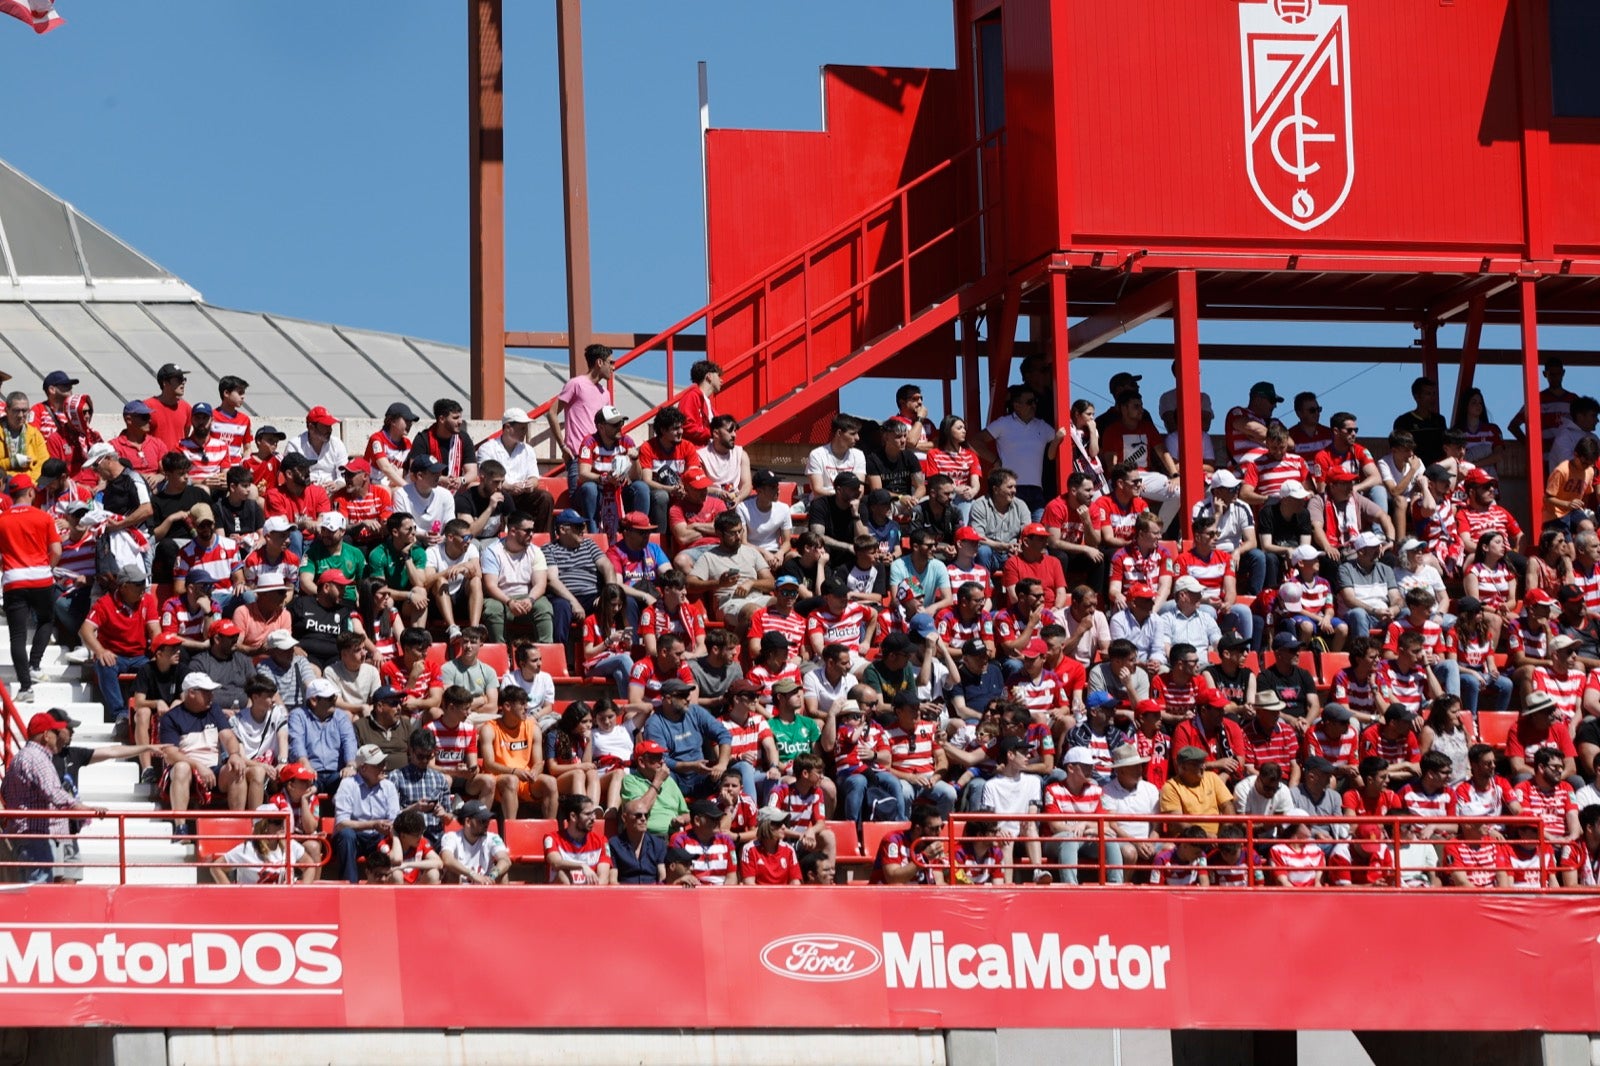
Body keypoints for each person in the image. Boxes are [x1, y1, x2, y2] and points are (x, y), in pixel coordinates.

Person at [1, 713, 105, 883]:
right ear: (46, 735)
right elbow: (54, 793)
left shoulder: (19, 757)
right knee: (39, 888)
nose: (59, 738)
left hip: (22, 836)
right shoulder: (39, 758)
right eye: (56, 733)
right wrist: (85, 809)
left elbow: (4, 791)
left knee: (29, 889)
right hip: (37, 836)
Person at [0, 474, 61, 700]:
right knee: (46, 620)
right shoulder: (43, 517)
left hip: (13, 579)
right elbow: (56, 551)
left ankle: (26, 688)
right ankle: (35, 665)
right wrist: (47, 567)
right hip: (41, 577)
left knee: (17, 635)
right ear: (31, 492)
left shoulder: (2, 519)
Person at [158, 673, 251, 818]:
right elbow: (170, 754)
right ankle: (180, 827)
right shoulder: (171, 718)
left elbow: (228, 736)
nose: (211, 696)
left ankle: (237, 823)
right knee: (181, 768)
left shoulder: (214, 710)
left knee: (236, 769)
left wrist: (234, 754)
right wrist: (198, 766)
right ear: (192, 693)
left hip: (214, 768)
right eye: (206, 692)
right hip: (186, 769)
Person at [639, 679, 732, 799]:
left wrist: (722, 764)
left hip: (702, 774)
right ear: (668, 699)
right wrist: (692, 766)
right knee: (662, 776)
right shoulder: (654, 723)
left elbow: (723, 734)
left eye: (688, 694)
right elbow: (662, 759)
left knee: (734, 773)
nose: (688, 699)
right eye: (682, 695)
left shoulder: (695, 711)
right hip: (675, 776)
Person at [978, 385, 1063, 517]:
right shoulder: (1003, 423)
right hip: (1011, 489)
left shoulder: (1042, 425)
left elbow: (1060, 444)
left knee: (1038, 534)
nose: (1034, 405)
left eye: (1035, 401)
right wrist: (995, 460)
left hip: (1037, 490)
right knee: (1015, 533)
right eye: (1029, 402)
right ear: (1016, 405)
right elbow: (975, 441)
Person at [479, 684, 559, 820]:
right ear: (507, 706)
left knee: (550, 782)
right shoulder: (489, 729)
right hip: (501, 778)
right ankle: (511, 829)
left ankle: (550, 830)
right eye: (522, 704)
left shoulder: (532, 727)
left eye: (526, 703)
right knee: (511, 781)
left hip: (525, 778)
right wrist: (514, 771)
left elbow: (539, 762)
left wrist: (534, 772)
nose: (526, 707)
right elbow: (489, 764)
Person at [545, 342, 614, 492]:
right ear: (599, 362)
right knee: (581, 499)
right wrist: (563, 446)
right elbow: (552, 413)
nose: (613, 367)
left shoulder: (606, 393)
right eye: (610, 362)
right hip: (577, 456)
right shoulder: (575, 384)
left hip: (600, 458)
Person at [481, 511, 556, 644]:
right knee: (492, 608)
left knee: (544, 606)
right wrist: (509, 602)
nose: (531, 534)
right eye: (527, 531)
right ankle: (500, 651)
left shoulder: (536, 551)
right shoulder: (492, 552)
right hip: (501, 599)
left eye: (533, 530)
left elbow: (540, 584)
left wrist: (530, 599)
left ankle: (546, 650)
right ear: (513, 531)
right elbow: (490, 585)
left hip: (527, 598)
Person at [575, 405, 649, 534]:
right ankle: (595, 536)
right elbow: (582, 474)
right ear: (601, 427)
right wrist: (604, 478)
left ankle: (639, 532)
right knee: (589, 488)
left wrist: (636, 459)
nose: (620, 427)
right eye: (615, 424)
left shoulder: (626, 441)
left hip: (620, 491)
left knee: (641, 487)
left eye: (621, 422)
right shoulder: (589, 442)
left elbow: (636, 477)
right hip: (598, 490)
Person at [474, 408, 554, 521]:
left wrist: (530, 484)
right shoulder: (487, 448)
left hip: (522, 495)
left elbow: (534, 476)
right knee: (500, 497)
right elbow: (488, 478)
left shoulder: (528, 450)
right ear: (507, 427)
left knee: (545, 498)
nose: (525, 432)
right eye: (521, 428)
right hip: (498, 493)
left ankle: (542, 536)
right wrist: (509, 487)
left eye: (525, 428)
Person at [542, 794, 611, 885]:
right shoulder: (552, 838)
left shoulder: (601, 841)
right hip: (560, 896)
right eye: (588, 814)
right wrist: (582, 866)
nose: (593, 818)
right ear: (573, 816)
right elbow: (556, 863)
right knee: (562, 873)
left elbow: (603, 878)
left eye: (593, 813)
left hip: (590, 895)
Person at [869, 804, 947, 885]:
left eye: (941, 826)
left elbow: (938, 883)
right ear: (918, 829)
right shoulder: (893, 840)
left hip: (917, 895)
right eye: (934, 829)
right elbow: (892, 879)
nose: (939, 832)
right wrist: (923, 858)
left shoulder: (931, 845)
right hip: (887, 895)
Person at [438, 799, 511, 885]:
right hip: (460, 885)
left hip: (485, 884)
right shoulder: (451, 837)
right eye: (482, 820)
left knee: (502, 873)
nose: (487, 824)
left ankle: (502, 898)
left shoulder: (493, 838)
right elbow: (447, 859)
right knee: (451, 873)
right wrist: (472, 874)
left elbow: (505, 860)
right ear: (468, 822)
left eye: (488, 820)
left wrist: (492, 875)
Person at [609, 797, 669, 884]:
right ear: (624, 818)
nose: (643, 819)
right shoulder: (614, 844)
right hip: (626, 893)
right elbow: (613, 881)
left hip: (652, 893)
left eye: (646, 815)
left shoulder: (658, 844)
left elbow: (662, 877)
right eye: (638, 815)